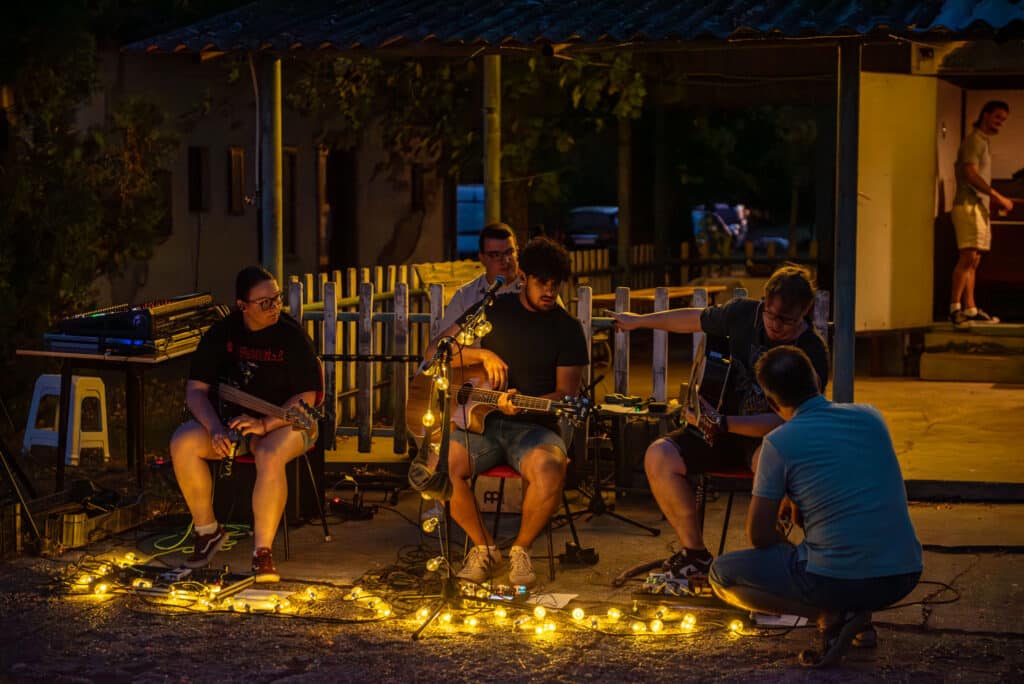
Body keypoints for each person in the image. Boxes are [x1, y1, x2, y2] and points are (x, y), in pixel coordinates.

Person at [608, 264, 829, 583]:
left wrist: (725, 422)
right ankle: (694, 554)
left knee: (771, 463)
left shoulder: (811, 354)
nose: (775, 325)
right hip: (718, 429)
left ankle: (775, 559)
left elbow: (791, 420)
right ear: (764, 300)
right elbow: (693, 319)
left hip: (767, 439)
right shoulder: (743, 314)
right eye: (771, 314)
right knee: (659, 456)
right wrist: (639, 321)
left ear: (804, 312)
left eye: (787, 320)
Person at [709, 346, 921, 667]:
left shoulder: (779, 442)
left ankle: (829, 614)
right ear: (818, 381)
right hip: (903, 573)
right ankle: (854, 611)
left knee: (721, 575)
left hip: (836, 580)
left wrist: (790, 552)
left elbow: (759, 535)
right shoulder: (871, 417)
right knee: (823, 554)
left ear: (772, 404)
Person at [424, 237, 589, 587]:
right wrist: (482, 355)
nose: (549, 290)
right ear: (523, 278)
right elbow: (436, 351)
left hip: (536, 428)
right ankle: (484, 549)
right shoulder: (493, 310)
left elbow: (566, 394)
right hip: (482, 422)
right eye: (542, 282)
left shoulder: (568, 329)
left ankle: (520, 550)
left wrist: (523, 402)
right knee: (441, 466)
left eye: (555, 283)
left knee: (550, 468)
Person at [170, 265, 322, 582]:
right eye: (265, 302)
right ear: (242, 305)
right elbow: (196, 390)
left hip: (288, 421)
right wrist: (214, 428)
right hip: (235, 422)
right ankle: (207, 530)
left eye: (277, 298)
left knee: (268, 454)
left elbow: (308, 397)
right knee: (183, 442)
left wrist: (265, 424)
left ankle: (261, 553)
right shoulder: (221, 334)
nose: (274, 307)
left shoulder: (292, 336)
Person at [950, 100, 1013, 328]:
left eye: (1003, 120)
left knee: (974, 260)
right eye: (997, 117)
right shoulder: (974, 141)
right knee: (967, 257)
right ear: (985, 115)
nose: (999, 123)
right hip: (968, 205)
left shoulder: (983, 142)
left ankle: (971, 308)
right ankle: (955, 308)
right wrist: (997, 196)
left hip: (979, 207)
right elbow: (970, 173)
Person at [436, 222, 522, 334]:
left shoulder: (530, 291)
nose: (505, 260)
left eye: (509, 252)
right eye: (495, 255)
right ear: (482, 258)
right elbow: (443, 340)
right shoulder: (465, 296)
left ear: (517, 252)